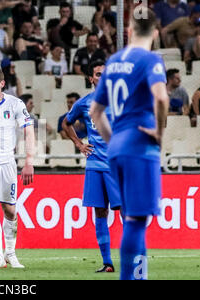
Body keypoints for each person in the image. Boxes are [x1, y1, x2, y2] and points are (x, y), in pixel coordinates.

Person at [90, 7, 170, 280]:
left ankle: (138, 276)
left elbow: (95, 112)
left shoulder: (112, 62)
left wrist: (114, 142)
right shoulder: (150, 60)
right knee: (136, 221)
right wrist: (159, 133)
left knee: (134, 219)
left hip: (117, 149)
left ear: (129, 30)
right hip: (140, 147)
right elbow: (161, 97)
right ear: (156, 33)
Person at [62, 60, 121, 273]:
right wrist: (79, 144)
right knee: (100, 212)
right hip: (95, 165)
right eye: (98, 75)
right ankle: (107, 263)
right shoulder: (84, 103)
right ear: (91, 79)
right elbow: (66, 123)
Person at [0, 67, 35, 268]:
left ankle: (10, 253)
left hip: (7, 163)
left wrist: (29, 161)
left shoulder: (15, 104)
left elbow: (29, 131)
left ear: (2, 84)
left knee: (10, 210)